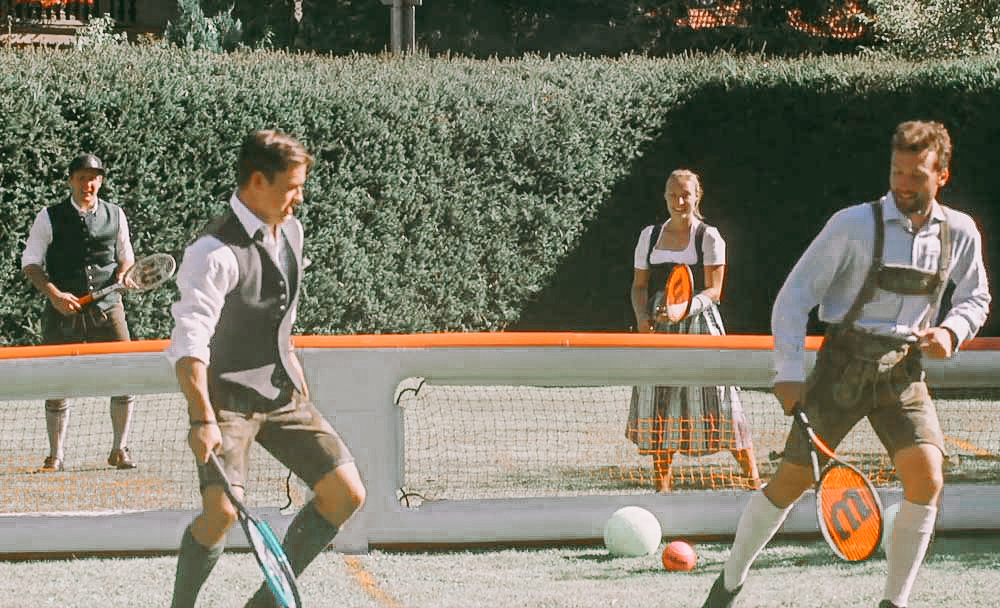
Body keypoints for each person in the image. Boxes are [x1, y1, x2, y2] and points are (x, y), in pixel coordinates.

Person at [700, 120, 991, 608]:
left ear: (942, 175)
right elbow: (793, 299)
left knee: (928, 477)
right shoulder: (852, 225)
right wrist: (788, 374)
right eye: (897, 171)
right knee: (791, 481)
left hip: (903, 372)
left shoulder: (959, 232)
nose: (902, 184)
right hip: (840, 369)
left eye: (916, 175)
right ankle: (728, 583)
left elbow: (977, 297)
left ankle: (893, 603)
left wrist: (950, 331)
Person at [166, 129, 366, 608]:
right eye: (292, 186)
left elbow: (280, 311)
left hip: (280, 393)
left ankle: (264, 605)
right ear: (257, 181)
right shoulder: (211, 252)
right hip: (227, 402)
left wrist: (289, 357)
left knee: (346, 493)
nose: (299, 197)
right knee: (219, 514)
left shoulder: (290, 230)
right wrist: (201, 418)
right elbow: (189, 343)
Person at [627, 169, 760, 493]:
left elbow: (715, 290)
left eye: (685, 194)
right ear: (665, 197)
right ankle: (662, 488)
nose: (679, 201)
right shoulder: (649, 236)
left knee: (722, 402)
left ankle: (755, 482)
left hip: (701, 327)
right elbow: (639, 287)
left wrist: (683, 309)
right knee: (659, 403)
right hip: (659, 329)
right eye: (673, 195)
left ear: (697, 196)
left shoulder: (709, 237)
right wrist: (643, 319)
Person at [21, 153, 138, 472]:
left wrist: (125, 275)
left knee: (124, 376)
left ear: (101, 181)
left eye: (94, 177)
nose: (89, 183)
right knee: (57, 382)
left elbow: (125, 257)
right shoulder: (48, 216)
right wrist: (55, 295)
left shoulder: (116, 214)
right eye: (82, 177)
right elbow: (31, 263)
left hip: (108, 308)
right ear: (71, 179)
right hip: (62, 312)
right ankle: (56, 455)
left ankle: (119, 449)